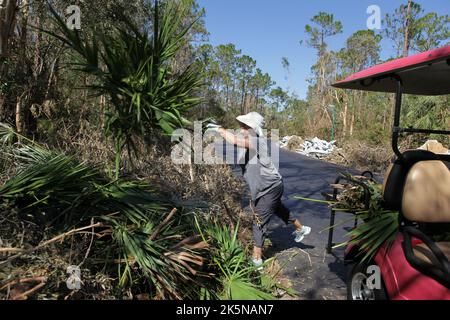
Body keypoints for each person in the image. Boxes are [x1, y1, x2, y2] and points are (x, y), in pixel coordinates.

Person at [207, 111, 311, 268]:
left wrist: (220, 129)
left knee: (258, 222)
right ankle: (301, 228)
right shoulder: (249, 140)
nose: (242, 130)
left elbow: (235, 141)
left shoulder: (257, 141)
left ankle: (256, 260)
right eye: (242, 126)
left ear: (254, 129)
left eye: (246, 127)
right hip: (271, 186)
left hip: (269, 187)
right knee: (278, 209)